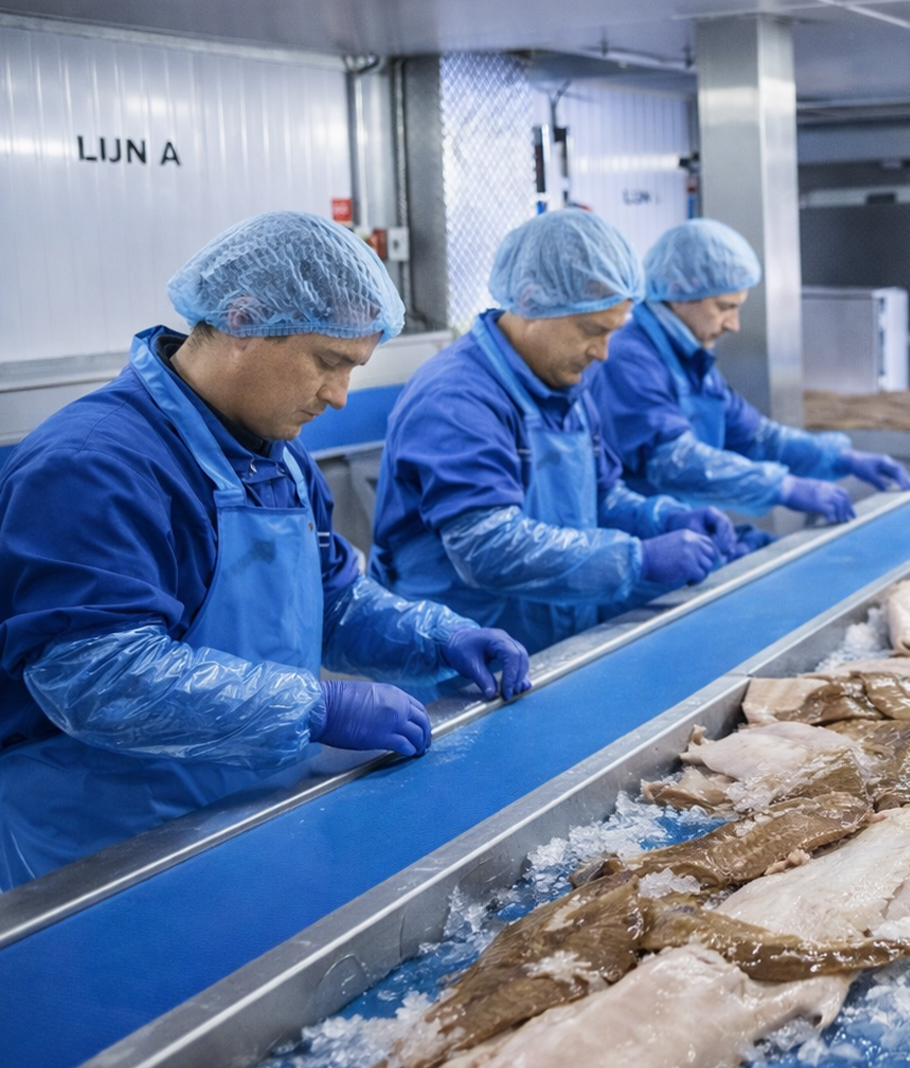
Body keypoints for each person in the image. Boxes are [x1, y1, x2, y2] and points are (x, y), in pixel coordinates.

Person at [0, 212, 531, 890]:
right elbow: (98, 679)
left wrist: (437, 636)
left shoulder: (274, 456)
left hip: (246, 813)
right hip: (108, 850)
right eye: (328, 362)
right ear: (244, 319)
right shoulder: (92, 467)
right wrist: (317, 708)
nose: (339, 396)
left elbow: (335, 600)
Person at [370, 210, 735, 657]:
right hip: (466, 666)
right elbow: (490, 547)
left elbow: (599, 497)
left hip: (555, 644)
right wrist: (638, 558)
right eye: (592, 331)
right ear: (531, 302)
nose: (602, 353)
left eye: (613, 333)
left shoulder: (564, 385)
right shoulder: (457, 399)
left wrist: (661, 517)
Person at [592, 218, 910, 547]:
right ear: (679, 295)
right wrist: (784, 487)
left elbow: (756, 436)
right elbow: (674, 462)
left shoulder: (691, 359)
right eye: (725, 308)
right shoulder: (629, 359)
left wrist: (840, 457)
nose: (734, 325)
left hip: (696, 540)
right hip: (652, 552)